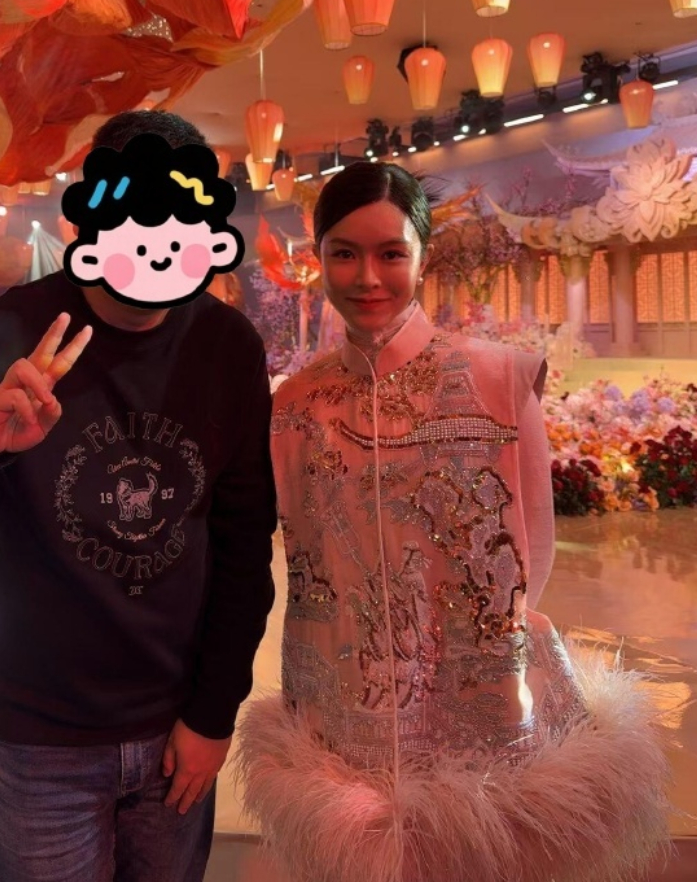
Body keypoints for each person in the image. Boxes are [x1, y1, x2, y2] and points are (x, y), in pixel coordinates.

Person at [0, 110, 277, 882]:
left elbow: (243, 545)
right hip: (41, 739)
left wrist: (214, 714)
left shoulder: (225, 345)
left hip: (176, 729)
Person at [237, 162, 669, 882]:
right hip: (341, 712)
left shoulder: (500, 378)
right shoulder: (295, 406)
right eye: (344, 253)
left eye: (390, 253)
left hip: (476, 707)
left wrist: (476, 647)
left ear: (422, 255)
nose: (367, 277)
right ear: (319, 258)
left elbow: (533, 548)